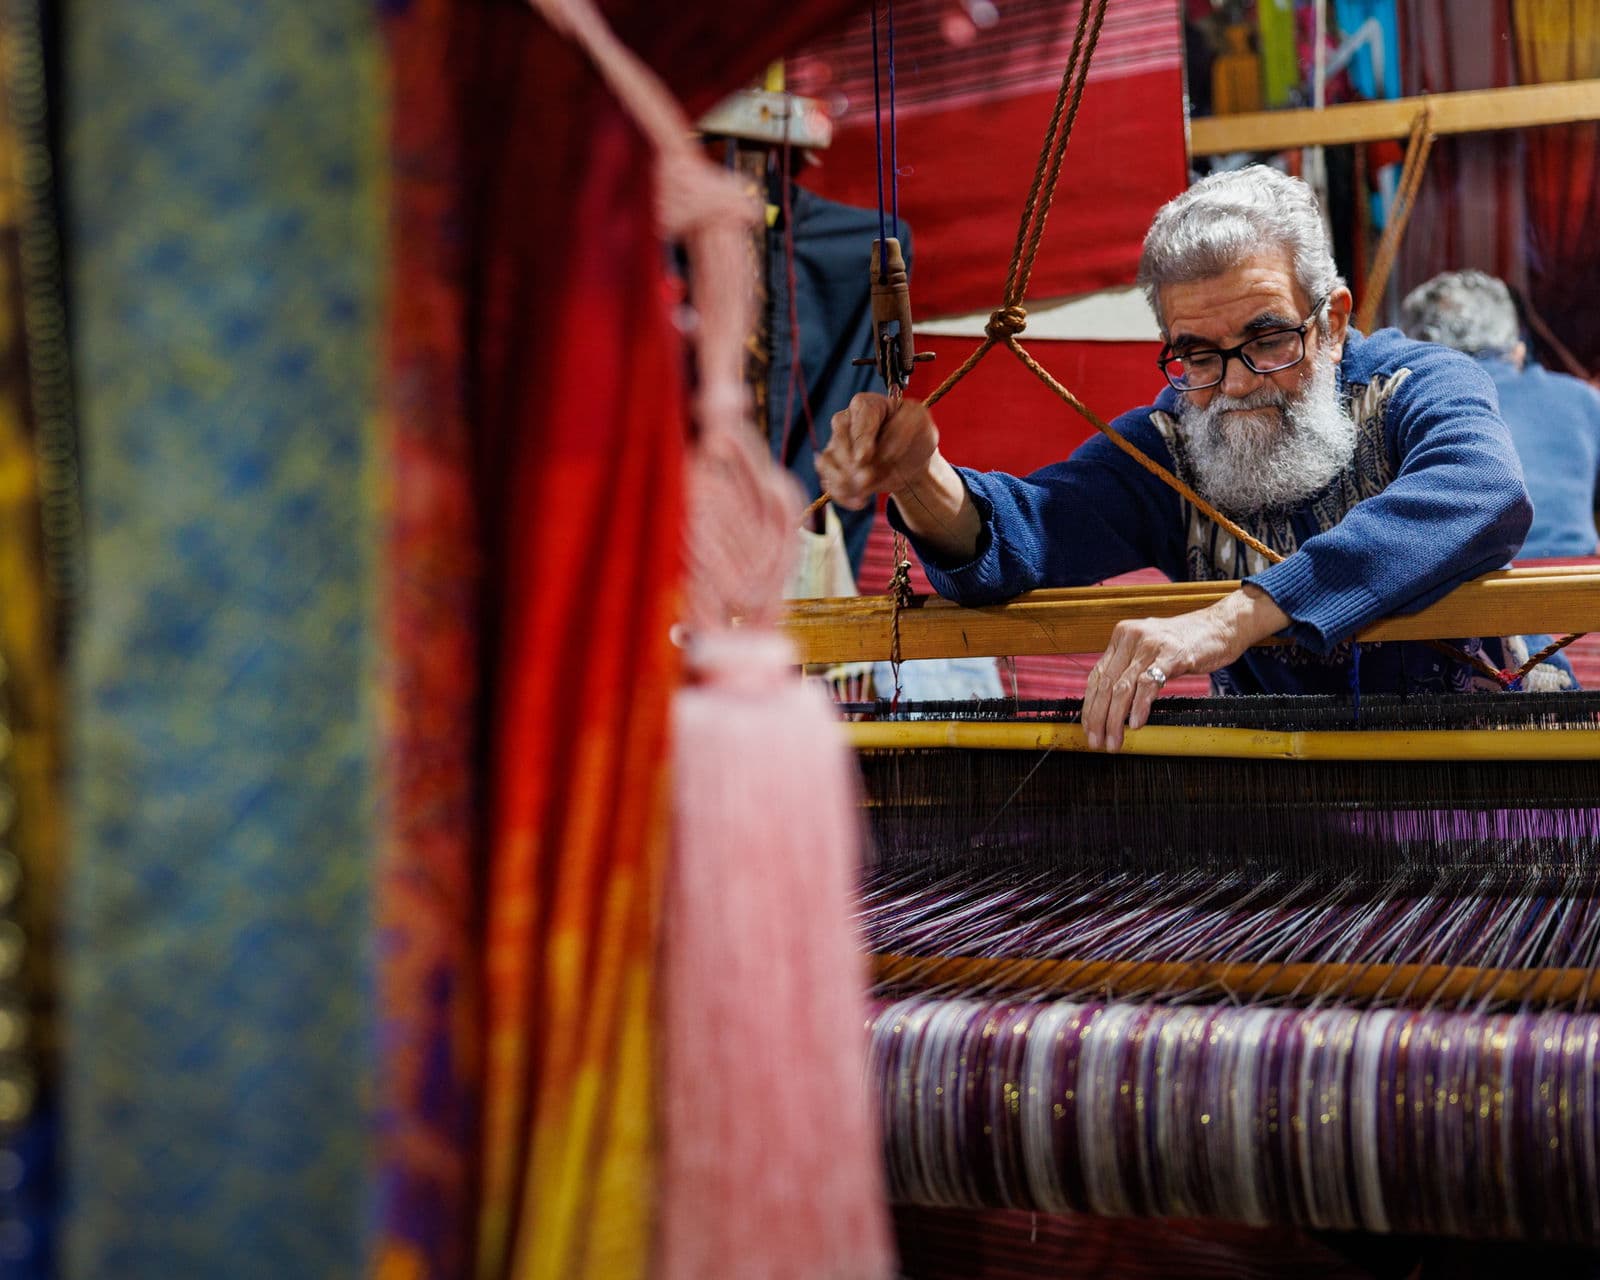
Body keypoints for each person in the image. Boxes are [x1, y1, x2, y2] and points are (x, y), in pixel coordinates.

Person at [816, 164, 1536, 751]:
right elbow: (1028, 531)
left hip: (1490, 771)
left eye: (1269, 339)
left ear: (1334, 321)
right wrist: (920, 477)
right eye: (1197, 354)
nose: (1239, 383)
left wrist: (1234, 618)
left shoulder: (1414, 387)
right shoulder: (1173, 445)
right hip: (1291, 800)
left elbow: (1480, 488)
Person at [1402, 268, 1600, 560]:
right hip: (1579, 586)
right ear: (1517, 348)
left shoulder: (1415, 406)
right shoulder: (1581, 398)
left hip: (1473, 597)